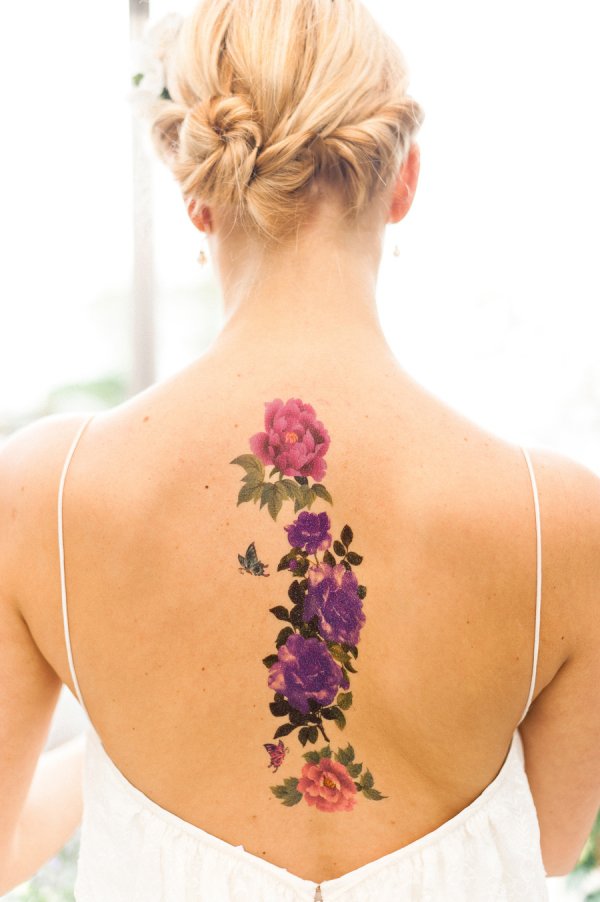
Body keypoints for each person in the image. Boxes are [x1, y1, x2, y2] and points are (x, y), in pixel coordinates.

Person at [1, 0, 599, 899]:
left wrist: (121, 748)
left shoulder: (43, 497)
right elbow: (546, 847)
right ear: (404, 181)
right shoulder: (563, 526)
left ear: (197, 196)